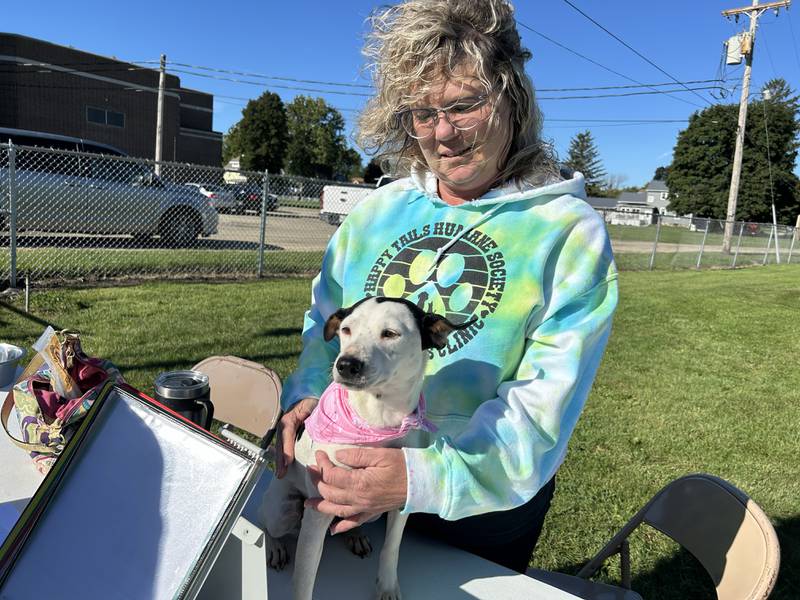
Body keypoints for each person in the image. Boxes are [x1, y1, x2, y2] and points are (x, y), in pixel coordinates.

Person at [274, 0, 618, 574]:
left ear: (512, 97)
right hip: (350, 460)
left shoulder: (566, 231)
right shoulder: (377, 212)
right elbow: (327, 321)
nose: (444, 133)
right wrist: (306, 396)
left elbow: (542, 404)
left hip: (480, 503)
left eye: (465, 105)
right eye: (422, 113)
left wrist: (421, 477)